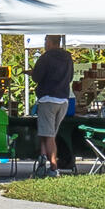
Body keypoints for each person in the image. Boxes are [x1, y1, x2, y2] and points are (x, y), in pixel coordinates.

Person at [32, 33, 76, 174]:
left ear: (50, 42)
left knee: (48, 135)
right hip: (63, 100)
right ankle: (42, 161)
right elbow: (70, 77)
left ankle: (53, 166)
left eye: (45, 41)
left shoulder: (45, 58)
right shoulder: (68, 58)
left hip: (48, 99)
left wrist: (33, 74)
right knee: (49, 133)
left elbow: (36, 77)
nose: (44, 44)